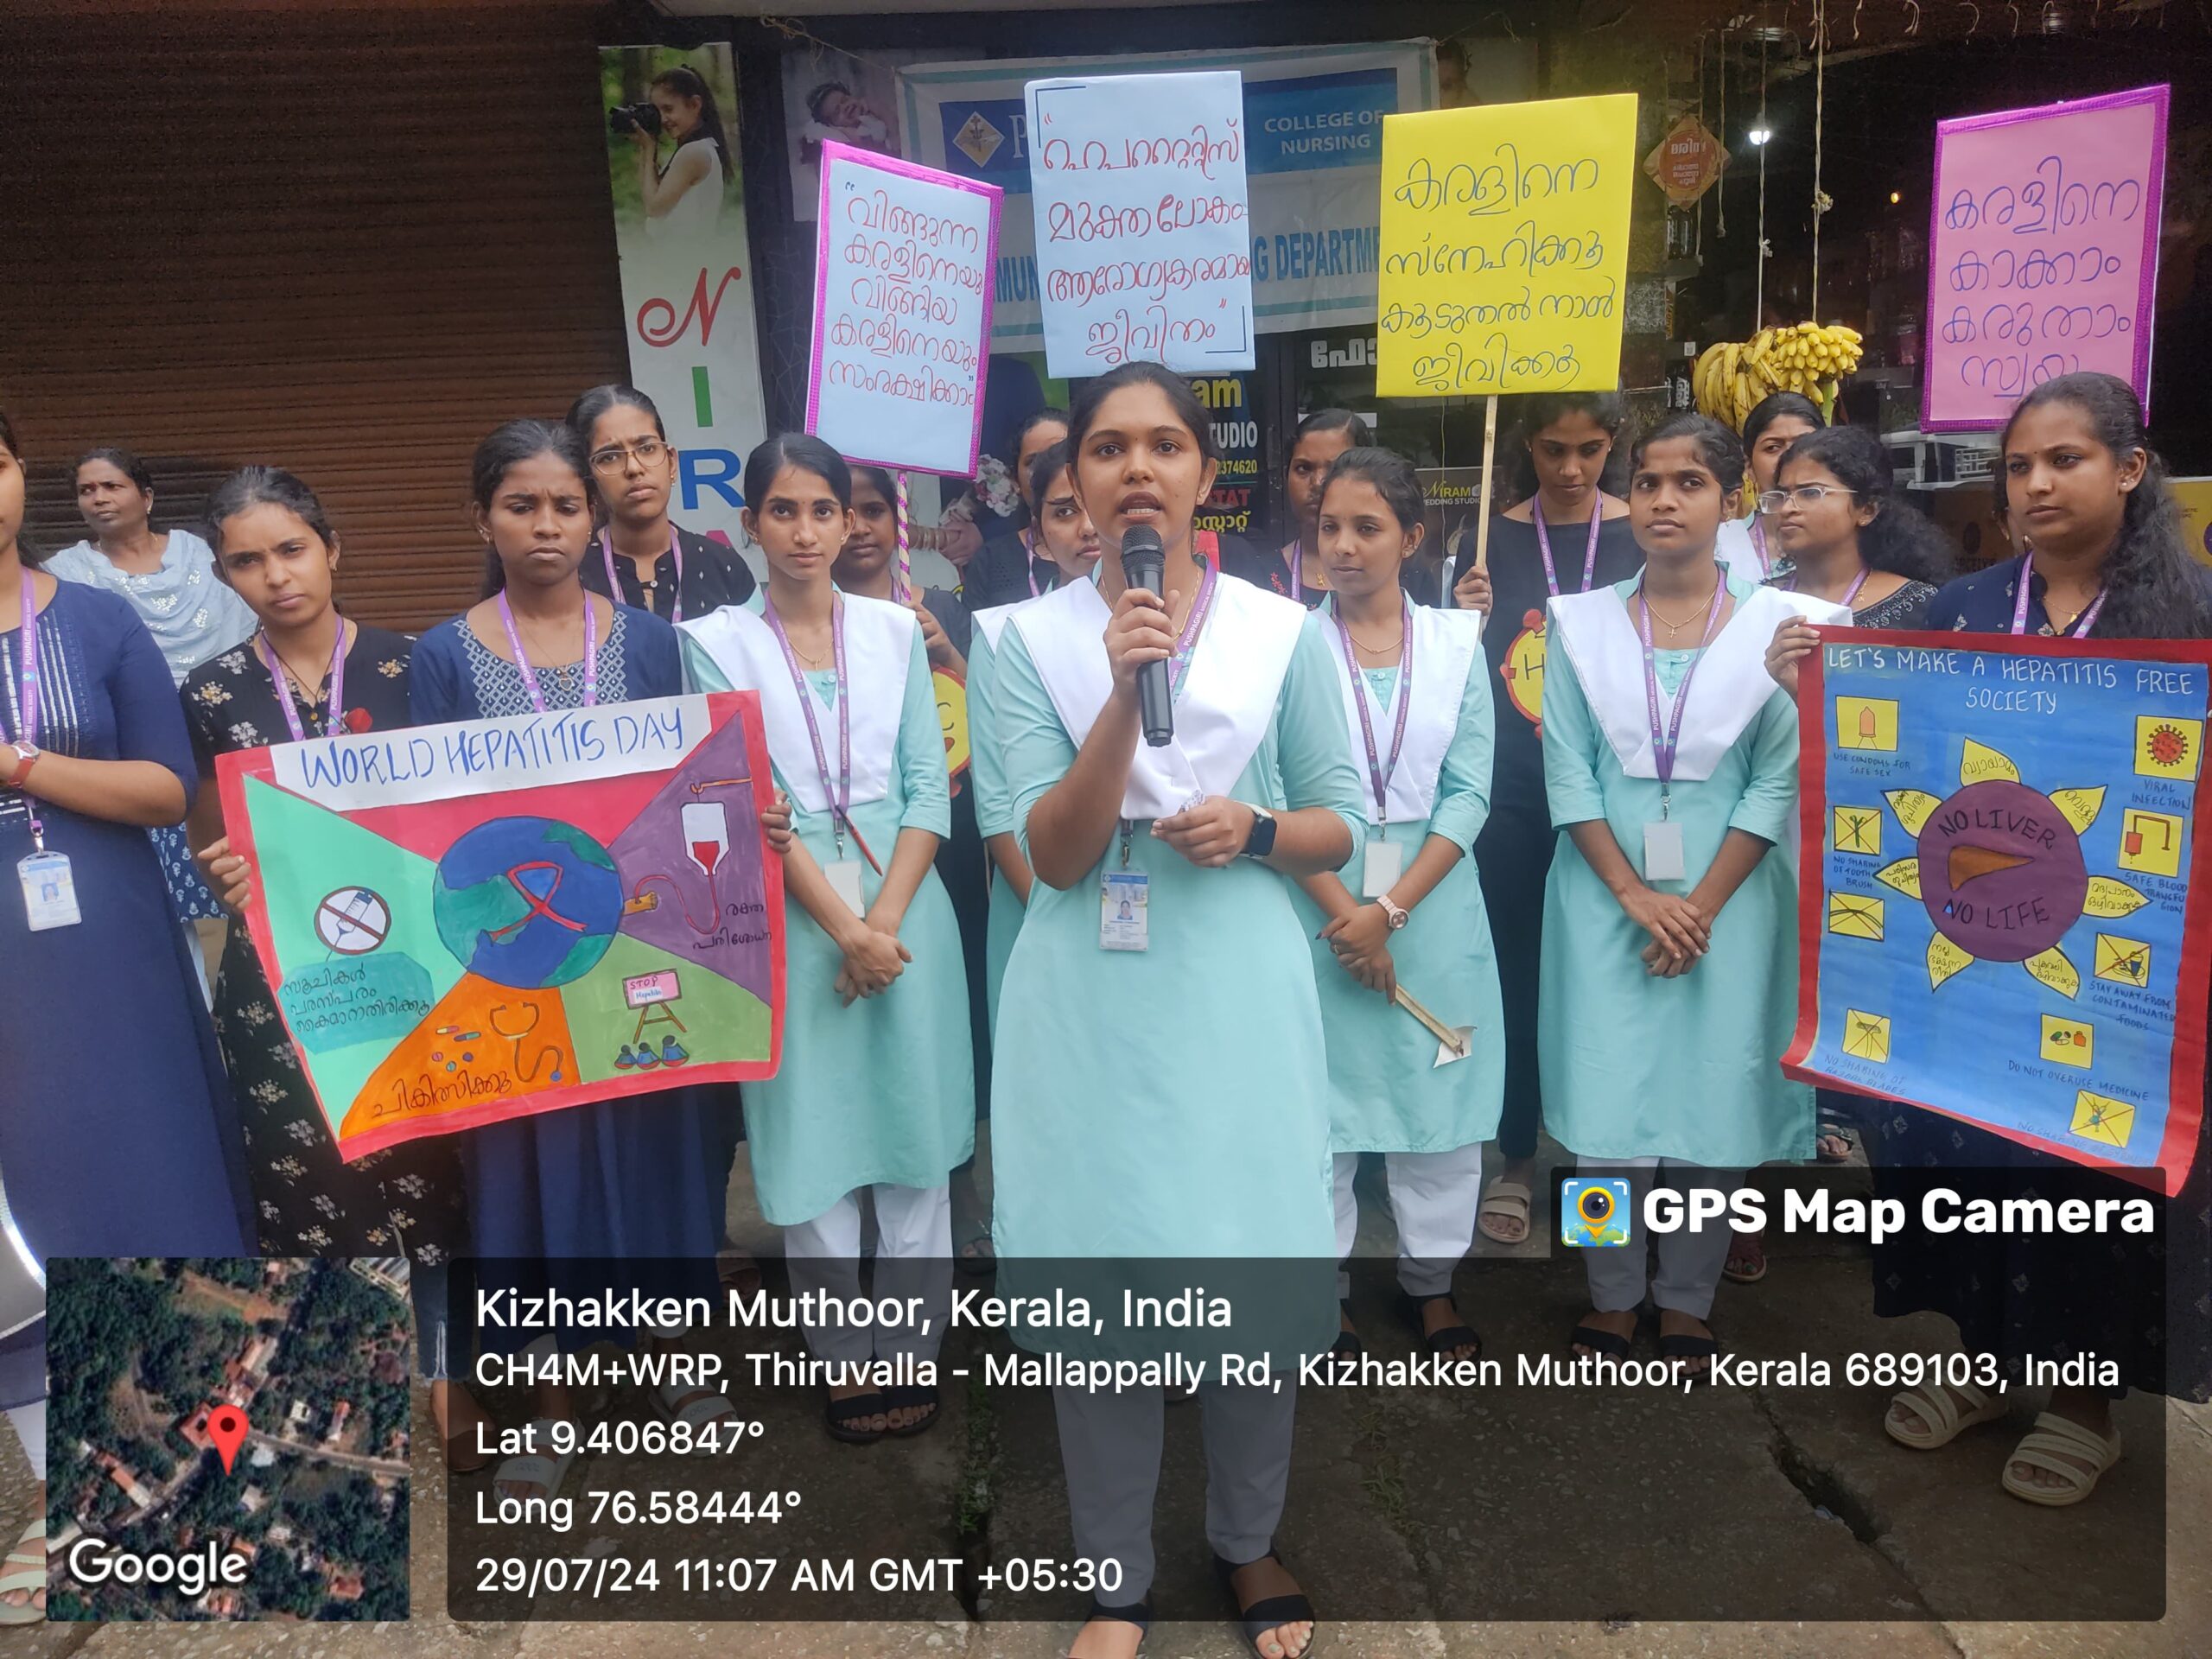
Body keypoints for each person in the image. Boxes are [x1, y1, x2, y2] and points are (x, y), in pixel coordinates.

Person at [988, 361, 1363, 1659]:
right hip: (1085, 999)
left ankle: (1248, 1539)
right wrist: (1117, 692)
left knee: (1248, 1262)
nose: (1136, 469)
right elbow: (1053, 852)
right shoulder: (1020, 643)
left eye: (1163, 445)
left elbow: (1338, 822)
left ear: (1206, 474)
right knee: (1100, 1285)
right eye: (1107, 448)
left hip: (1237, 994)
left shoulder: (1283, 632)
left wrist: (1258, 829)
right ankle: (1116, 1581)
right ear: (1074, 482)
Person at [1865, 372, 2212, 1505]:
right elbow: (1869, 702)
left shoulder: (2191, 618)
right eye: (2018, 466)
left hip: (2119, 962)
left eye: (2065, 459)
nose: (2036, 484)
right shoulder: (1958, 608)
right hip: (1977, 949)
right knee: (1974, 1150)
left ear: (2130, 468)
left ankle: (2083, 1403)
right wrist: (1807, 672)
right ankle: (1984, 1359)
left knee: (2089, 1175)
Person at [411, 420, 735, 1498]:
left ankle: (671, 1363)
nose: (544, 526)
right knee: (528, 1176)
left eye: (564, 505)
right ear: (483, 520)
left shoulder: (647, 642)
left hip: (638, 945)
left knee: (656, 1155)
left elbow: (687, 780)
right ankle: (553, 1401)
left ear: (593, 519)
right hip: (513, 956)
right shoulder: (445, 654)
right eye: (521, 506)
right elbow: (429, 820)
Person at [0, 412, 252, 1620]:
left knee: (155, 1171)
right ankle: (74, 1497)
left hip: (113, 942)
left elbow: (164, 785)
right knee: (26, 1214)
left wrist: (21, 768)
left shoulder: (99, 621)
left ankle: (215, 1472)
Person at [1541, 414, 1847, 1379]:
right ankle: (1610, 1291)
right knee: (1603, 1115)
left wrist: (1700, 906)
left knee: (1716, 1108)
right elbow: (1568, 772)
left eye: (1688, 483)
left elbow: (1777, 780)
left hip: (1734, 900)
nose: (1663, 500)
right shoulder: (1579, 623)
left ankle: (1686, 1297)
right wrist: (1634, 893)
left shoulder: (1783, 627)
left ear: (1730, 500)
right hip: (1603, 898)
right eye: (1646, 482)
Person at [681, 435, 974, 1443]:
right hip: (791, 916)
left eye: (823, 510)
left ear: (851, 522)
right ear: (749, 524)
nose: (804, 532)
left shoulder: (897, 631)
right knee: (810, 1146)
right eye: (783, 510)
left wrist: (879, 926)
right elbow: (745, 800)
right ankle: (844, 1353)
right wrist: (844, 930)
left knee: (915, 1142)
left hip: (906, 911)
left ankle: (911, 1346)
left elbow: (930, 789)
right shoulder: (714, 643)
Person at [182, 467, 470, 1259]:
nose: (276, 576)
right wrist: (223, 875)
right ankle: (348, 1336)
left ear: (331, 549)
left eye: (292, 549)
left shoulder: (415, 665)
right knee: (310, 1170)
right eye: (247, 562)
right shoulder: (211, 693)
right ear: (224, 576)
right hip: (286, 972)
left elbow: (462, 812)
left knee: (438, 1164)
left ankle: (451, 1340)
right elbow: (210, 843)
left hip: (418, 955)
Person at [1290, 448, 1502, 1365]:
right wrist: (1349, 912)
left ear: (1412, 538)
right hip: (1318, 898)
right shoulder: (1284, 643)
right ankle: (1324, 1289)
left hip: (1433, 901)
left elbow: (1469, 792)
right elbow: (1273, 788)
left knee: (1436, 1097)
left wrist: (1392, 913)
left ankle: (1433, 1283)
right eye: (1329, 526)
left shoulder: (1457, 643)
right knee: (1321, 1103)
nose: (1342, 546)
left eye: (1366, 528)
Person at [1444, 392, 1642, 1247]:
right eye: (1553, 448)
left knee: (1617, 979)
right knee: (1517, 973)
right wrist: (1463, 617)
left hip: (1619, 787)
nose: (1569, 468)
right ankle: (1518, 1155)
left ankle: (1615, 1167)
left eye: (1589, 449)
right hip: (1516, 790)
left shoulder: (1641, 531)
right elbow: (1456, 670)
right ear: (1525, 445)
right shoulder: (1487, 540)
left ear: (1612, 443)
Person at [836, 462, 995, 1274]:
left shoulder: (946, 609)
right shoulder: (803, 624)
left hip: (948, 847)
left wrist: (948, 652)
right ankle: (859, 1190)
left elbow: (999, 722)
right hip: (844, 859)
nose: (859, 526)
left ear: (898, 521)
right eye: (844, 511)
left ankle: (955, 1180)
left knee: (946, 1017)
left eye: (874, 509)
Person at [47, 446, 256, 935]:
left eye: (112, 486)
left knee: (237, 888)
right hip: (136, 749)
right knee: (159, 912)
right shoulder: (63, 575)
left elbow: (248, 629)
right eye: (86, 490)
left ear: (147, 497)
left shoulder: (202, 556)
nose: (99, 498)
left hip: (219, 732)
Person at [969, 442, 1103, 1040]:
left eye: (1094, 504)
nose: (1087, 527)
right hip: (1036, 900)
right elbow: (998, 802)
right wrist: (1053, 912)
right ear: (1039, 536)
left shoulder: (1165, 628)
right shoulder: (1004, 636)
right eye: (1064, 511)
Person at [570, 384, 757, 622]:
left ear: (672, 463)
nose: (634, 468)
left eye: (647, 448)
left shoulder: (723, 567)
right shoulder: (572, 575)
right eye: (610, 457)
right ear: (588, 477)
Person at [1226, 410, 1372, 607]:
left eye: (1334, 469)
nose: (1318, 482)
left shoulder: (1398, 573)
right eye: (1303, 468)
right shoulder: (1257, 578)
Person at [965, 408, 1071, 608]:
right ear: (1015, 479)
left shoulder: (1111, 549)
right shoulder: (990, 561)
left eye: (1059, 454)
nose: (1045, 470)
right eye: (1033, 462)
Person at [1716, 392, 1823, 582]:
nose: (1788, 457)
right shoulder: (1718, 546)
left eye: (1803, 444)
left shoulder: (1851, 542)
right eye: (1773, 447)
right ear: (1749, 467)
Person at [626, 65, 731, 241]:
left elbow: (654, 209)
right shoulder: (694, 149)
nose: (662, 119)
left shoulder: (694, 152)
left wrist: (650, 149)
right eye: (657, 111)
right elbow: (650, 193)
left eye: (668, 109)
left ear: (695, 105)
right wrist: (646, 147)